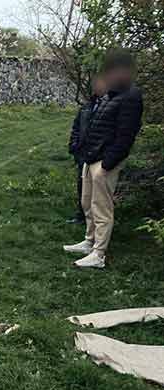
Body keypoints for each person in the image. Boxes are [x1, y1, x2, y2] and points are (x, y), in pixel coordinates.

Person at [63, 49, 144, 269]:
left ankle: (99, 254)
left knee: (101, 206)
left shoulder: (131, 96)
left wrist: (107, 164)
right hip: (91, 157)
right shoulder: (110, 94)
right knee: (87, 202)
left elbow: (126, 135)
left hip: (105, 161)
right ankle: (89, 241)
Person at [67, 75, 107, 224]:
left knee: (98, 191)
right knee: (82, 186)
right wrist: (74, 145)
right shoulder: (87, 106)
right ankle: (82, 216)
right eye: (95, 84)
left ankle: (97, 221)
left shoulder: (110, 105)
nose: (97, 87)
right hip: (83, 153)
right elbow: (77, 127)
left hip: (99, 154)